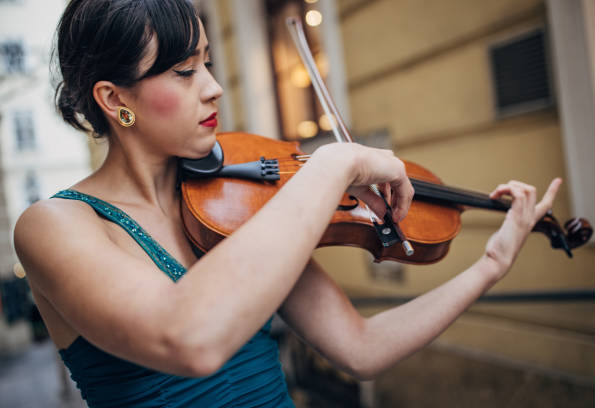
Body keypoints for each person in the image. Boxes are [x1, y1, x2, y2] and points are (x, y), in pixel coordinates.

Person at [13, 0, 562, 407]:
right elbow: (188, 339)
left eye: (207, 63)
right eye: (184, 72)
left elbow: (360, 348)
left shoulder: (233, 209)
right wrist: (330, 167)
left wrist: (489, 266)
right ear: (115, 100)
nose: (212, 88)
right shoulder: (55, 227)